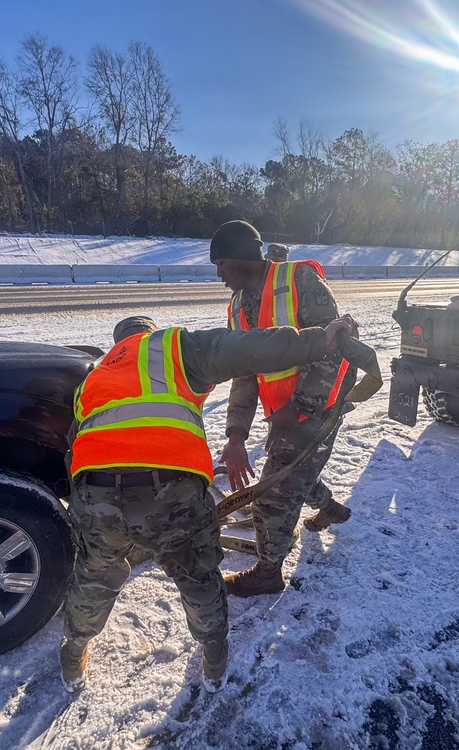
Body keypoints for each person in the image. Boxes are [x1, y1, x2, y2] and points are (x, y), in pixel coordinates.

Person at [60, 312, 358, 695]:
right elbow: (246, 348)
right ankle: (214, 660)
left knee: (94, 574)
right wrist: (320, 340)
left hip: (95, 492)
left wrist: (87, 505)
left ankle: (74, 654)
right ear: (149, 333)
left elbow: (73, 449)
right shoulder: (170, 347)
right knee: (197, 576)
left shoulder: (93, 379)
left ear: (117, 342)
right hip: (171, 492)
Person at [210, 219, 356, 598]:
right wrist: (237, 434)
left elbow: (334, 350)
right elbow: (244, 375)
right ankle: (333, 510)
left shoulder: (301, 281)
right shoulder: (238, 305)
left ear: (240, 258)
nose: (220, 275)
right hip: (285, 413)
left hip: (320, 404)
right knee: (294, 473)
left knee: (274, 493)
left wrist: (297, 410)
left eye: (221, 265)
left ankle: (268, 573)